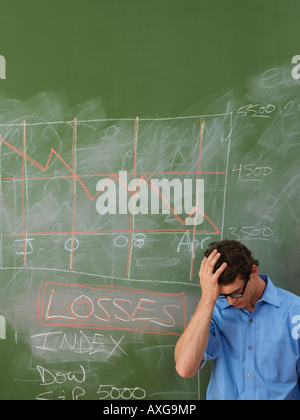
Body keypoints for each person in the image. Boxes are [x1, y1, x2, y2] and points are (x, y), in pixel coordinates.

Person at [175, 240, 300, 400]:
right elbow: (185, 368)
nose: (230, 301)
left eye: (235, 293)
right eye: (222, 295)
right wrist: (208, 299)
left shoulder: (295, 312)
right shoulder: (212, 311)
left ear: (253, 272)